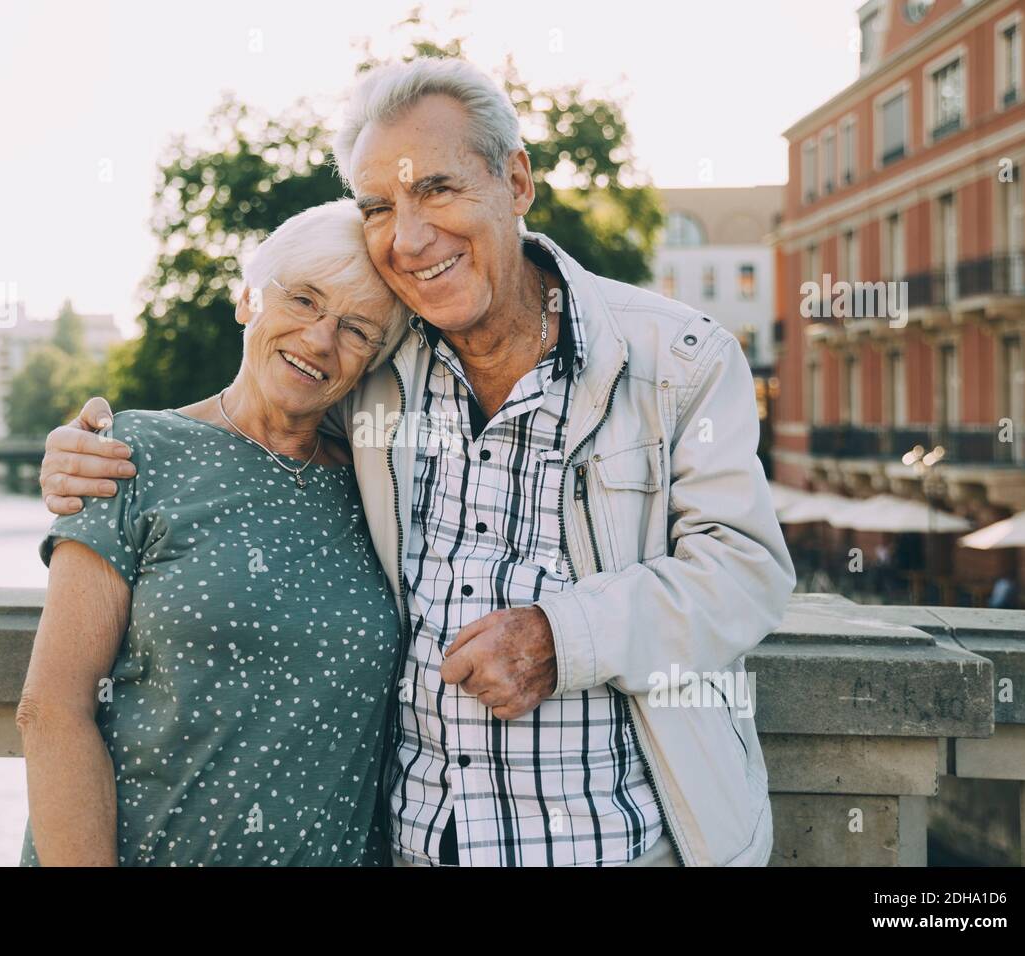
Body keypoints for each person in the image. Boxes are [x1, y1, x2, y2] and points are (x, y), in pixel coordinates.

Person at [39, 57, 795, 866]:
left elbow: (745, 572)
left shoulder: (677, 357)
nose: (407, 237)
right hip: (412, 850)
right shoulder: (379, 361)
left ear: (516, 180)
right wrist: (90, 448)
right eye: (378, 206)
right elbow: (255, 416)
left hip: (614, 846)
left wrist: (559, 636)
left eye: (436, 189)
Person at [16, 199, 411, 865]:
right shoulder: (128, 453)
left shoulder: (379, 488)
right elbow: (53, 710)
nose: (320, 339)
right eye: (305, 300)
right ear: (248, 298)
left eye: (356, 329)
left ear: (376, 358)